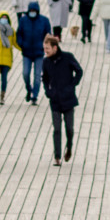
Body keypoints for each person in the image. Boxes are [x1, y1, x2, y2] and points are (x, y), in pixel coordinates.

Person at [41, 35, 84, 165]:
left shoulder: (67, 57)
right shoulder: (46, 61)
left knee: (69, 129)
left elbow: (79, 71)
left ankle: (69, 147)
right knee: (57, 129)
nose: (45, 51)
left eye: (47, 48)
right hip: (54, 100)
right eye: (44, 48)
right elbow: (45, 78)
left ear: (55, 47)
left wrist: (72, 85)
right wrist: (48, 92)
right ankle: (57, 157)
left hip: (68, 99)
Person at [16, 2, 52, 104]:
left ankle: (34, 96)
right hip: (26, 52)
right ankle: (29, 89)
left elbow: (48, 34)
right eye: (31, 11)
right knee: (25, 73)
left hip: (39, 53)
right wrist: (22, 44)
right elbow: (19, 34)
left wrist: (45, 46)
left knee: (37, 76)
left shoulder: (44, 21)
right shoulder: (23, 20)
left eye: (34, 11)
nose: (32, 13)